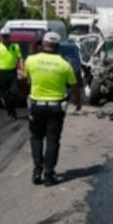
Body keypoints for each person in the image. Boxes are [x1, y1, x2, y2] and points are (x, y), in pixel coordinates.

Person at [24, 32, 82, 186]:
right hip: (56, 108)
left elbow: (25, 78)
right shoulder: (64, 64)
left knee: (36, 137)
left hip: (37, 106)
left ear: (43, 44)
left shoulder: (30, 60)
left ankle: (37, 170)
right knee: (52, 140)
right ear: (58, 46)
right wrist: (78, 102)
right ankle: (49, 174)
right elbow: (74, 86)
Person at [0, 27, 22, 120]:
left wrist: (22, 69)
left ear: (9, 36)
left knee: (15, 92)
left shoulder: (15, 46)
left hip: (12, 72)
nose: (5, 38)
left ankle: (12, 109)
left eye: (7, 36)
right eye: (4, 36)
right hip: (1, 73)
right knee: (6, 95)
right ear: (1, 37)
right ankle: (10, 111)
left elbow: (20, 58)